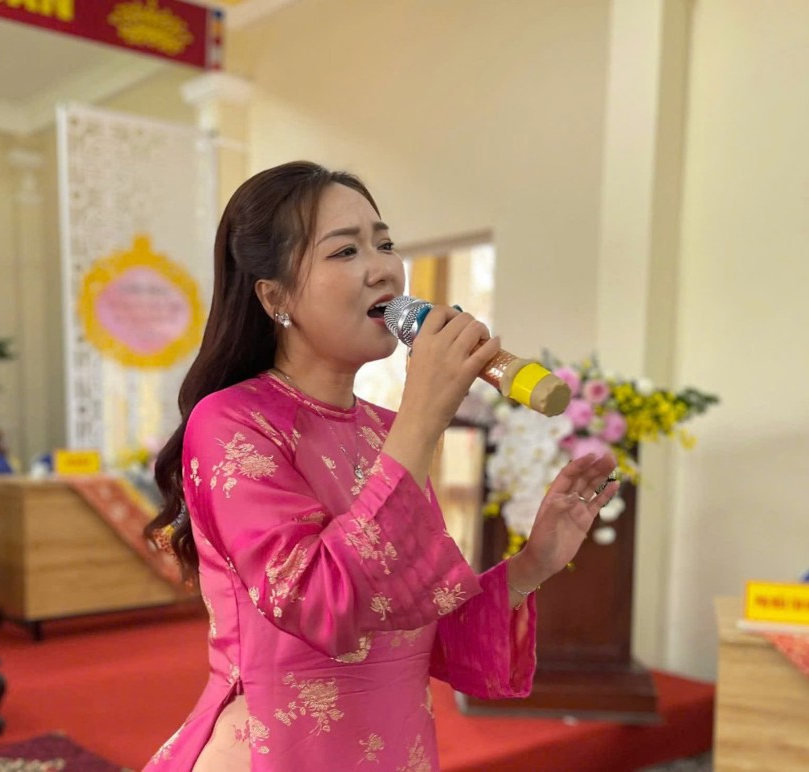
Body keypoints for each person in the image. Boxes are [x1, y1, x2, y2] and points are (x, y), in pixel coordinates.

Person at [143, 161, 619, 771]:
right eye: (345, 250)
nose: (384, 268)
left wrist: (534, 563)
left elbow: (415, 628)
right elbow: (320, 604)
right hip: (276, 752)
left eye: (385, 245)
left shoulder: (386, 431)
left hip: (397, 749)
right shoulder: (231, 422)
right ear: (275, 296)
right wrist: (423, 415)